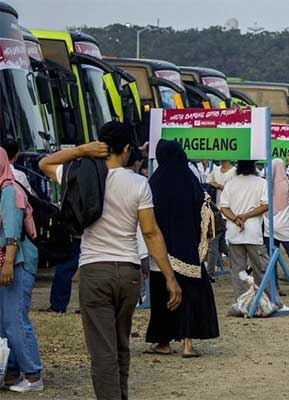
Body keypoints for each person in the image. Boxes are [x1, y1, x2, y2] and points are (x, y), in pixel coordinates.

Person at [39, 121, 182, 400]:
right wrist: (169, 277)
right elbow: (151, 233)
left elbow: (45, 163)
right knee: (120, 345)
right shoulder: (139, 184)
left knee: (102, 351)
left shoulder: (79, 175)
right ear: (127, 149)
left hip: (94, 271)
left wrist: (81, 150)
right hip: (128, 272)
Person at [145, 140, 219, 357]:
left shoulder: (154, 183)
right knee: (188, 296)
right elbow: (204, 211)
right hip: (188, 251)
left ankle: (163, 343)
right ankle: (187, 344)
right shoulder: (190, 180)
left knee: (162, 297)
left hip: (161, 252)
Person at [0, 147, 43, 393]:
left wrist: (7, 264)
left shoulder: (9, 191)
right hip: (8, 262)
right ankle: (12, 371)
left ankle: (33, 375)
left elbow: (13, 234)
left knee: (15, 320)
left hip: (16, 262)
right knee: (6, 321)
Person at [219, 160, 274, 307]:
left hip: (234, 233)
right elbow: (266, 205)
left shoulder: (231, 183)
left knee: (238, 270)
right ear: (253, 166)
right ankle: (267, 301)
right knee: (260, 268)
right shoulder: (261, 182)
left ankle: (241, 302)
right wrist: (246, 216)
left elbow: (223, 207)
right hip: (253, 233)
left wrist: (236, 219)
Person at [263, 159, 289, 285]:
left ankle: (275, 287)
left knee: (271, 259)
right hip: (285, 227)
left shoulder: (265, 184)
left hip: (269, 227)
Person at [206, 160, 235, 279]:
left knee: (213, 242)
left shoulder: (234, 171)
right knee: (221, 243)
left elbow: (234, 190)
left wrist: (220, 186)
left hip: (228, 210)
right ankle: (243, 264)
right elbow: (207, 182)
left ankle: (210, 274)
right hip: (216, 210)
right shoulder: (216, 170)